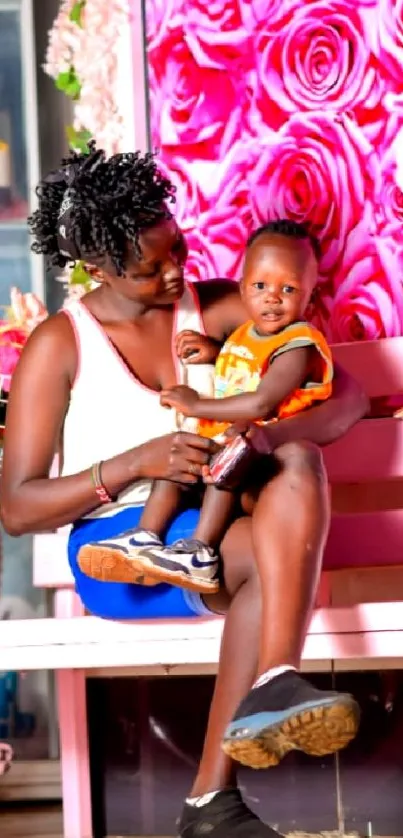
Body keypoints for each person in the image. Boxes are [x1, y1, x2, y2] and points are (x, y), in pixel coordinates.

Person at [0, 143, 368, 837]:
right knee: (268, 557)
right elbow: (17, 508)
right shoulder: (61, 344)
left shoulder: (219, 307)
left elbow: (344, 397)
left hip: (206, 537)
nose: (176, 274)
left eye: (180, 250)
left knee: (294, 458)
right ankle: (217, 789)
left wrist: (259, 437)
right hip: (120, 550)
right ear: (98, 268)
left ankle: (266, 702)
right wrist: (137, 462)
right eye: (149, 268)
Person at [77, 221, 333, 596]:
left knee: (222, 468)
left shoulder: (299, 344)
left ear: (310, 298)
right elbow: (245, 362)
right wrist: (215, 350)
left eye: (289, 289)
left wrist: (199, 403)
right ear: (243, 288)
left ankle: (200, 551)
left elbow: (263, 400)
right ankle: (145, 538)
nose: (273, 298)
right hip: (230, 437)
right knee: (177, 459)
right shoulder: (248, 334)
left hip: (265, 455)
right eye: (260, 287)